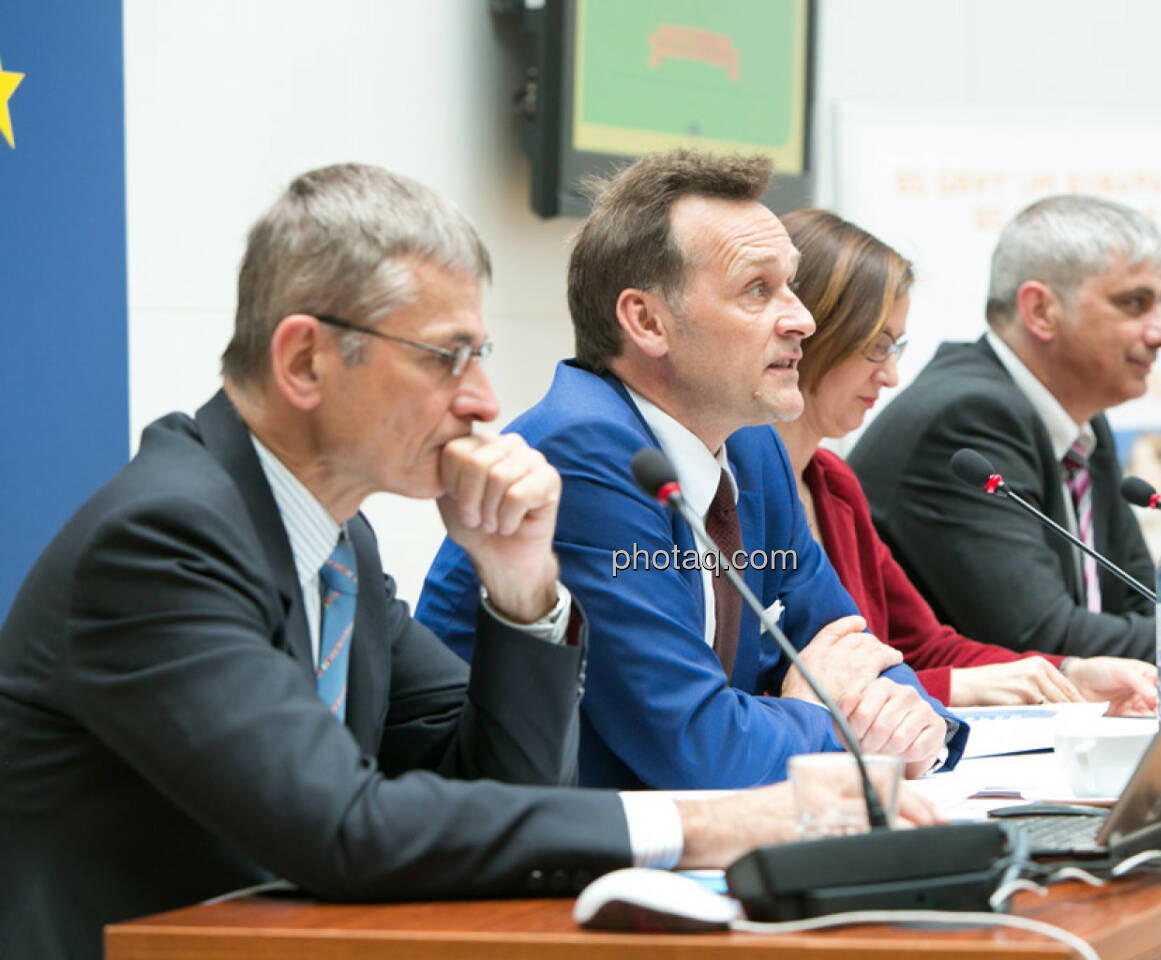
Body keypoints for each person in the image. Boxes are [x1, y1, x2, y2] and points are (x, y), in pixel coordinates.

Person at [0, 164, 938, 960]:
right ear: (305, 362)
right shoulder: (167, 538)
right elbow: (345, 828)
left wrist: (525, 588)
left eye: (480, 353)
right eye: (446, 357)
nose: (485, 400)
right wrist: (714, 823)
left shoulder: (340, 543)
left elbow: (494, 787)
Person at [419, 150, 965, 790]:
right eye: (758, 289)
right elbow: (699, 749)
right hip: (523, 863)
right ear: (647, 321)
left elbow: (851, 643)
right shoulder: (584, 454)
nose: (802, 319)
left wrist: (918, 725)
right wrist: (833, 722)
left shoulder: (751, 444)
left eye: (790, 284)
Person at [850, 195, 1161, 666]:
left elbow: (1141, 599)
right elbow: (1041, 634)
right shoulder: (967, 418)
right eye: (1135, 303)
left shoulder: (1082, 421)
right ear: (1040, 312)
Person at [774, 208, 1155, 715]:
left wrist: (1069, 673)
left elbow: (926, 647)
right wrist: (957, 688)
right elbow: (781, 686)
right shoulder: (733, 495)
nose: (889, 376)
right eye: (876, 346)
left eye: (897, 347)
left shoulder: (833, 484)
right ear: (810, 334)